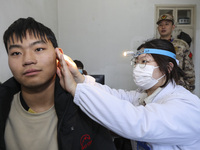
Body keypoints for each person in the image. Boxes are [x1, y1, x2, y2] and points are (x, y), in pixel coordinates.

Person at [56, 39, 200, 150]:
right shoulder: (144, 96)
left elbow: (138, 122)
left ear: (168, 67)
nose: (138, 68)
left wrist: (75, 89)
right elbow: (115, 96)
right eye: (136, 62)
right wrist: (80, 78)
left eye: (144, 61)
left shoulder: (186, 105)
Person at [0, 17, 116, 150]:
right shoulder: (3, 103)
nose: (28, 60)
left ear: (58, 55)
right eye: (16, 53)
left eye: (38, 49)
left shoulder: (86, 108)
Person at [157, 13, 195, 92]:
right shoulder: (153, 46)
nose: (163, 27)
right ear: (158, 28)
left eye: (167, 24)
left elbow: (189, 69)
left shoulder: (182, 45)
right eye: (160, 25)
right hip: (158, 87)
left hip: (178, 86)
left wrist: (189, 88)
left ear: (173, 27)